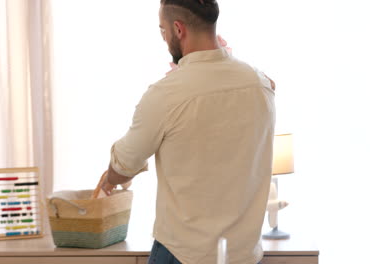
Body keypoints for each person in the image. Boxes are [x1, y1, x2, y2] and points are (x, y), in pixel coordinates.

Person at [101, 0, 276, 263]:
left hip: (183, 255)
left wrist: (110, 179)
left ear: (178, 29)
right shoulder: (260, 84)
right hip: (244, 256)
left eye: (163, 31)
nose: (164, 39)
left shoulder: (167, 94)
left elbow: (124, 164)